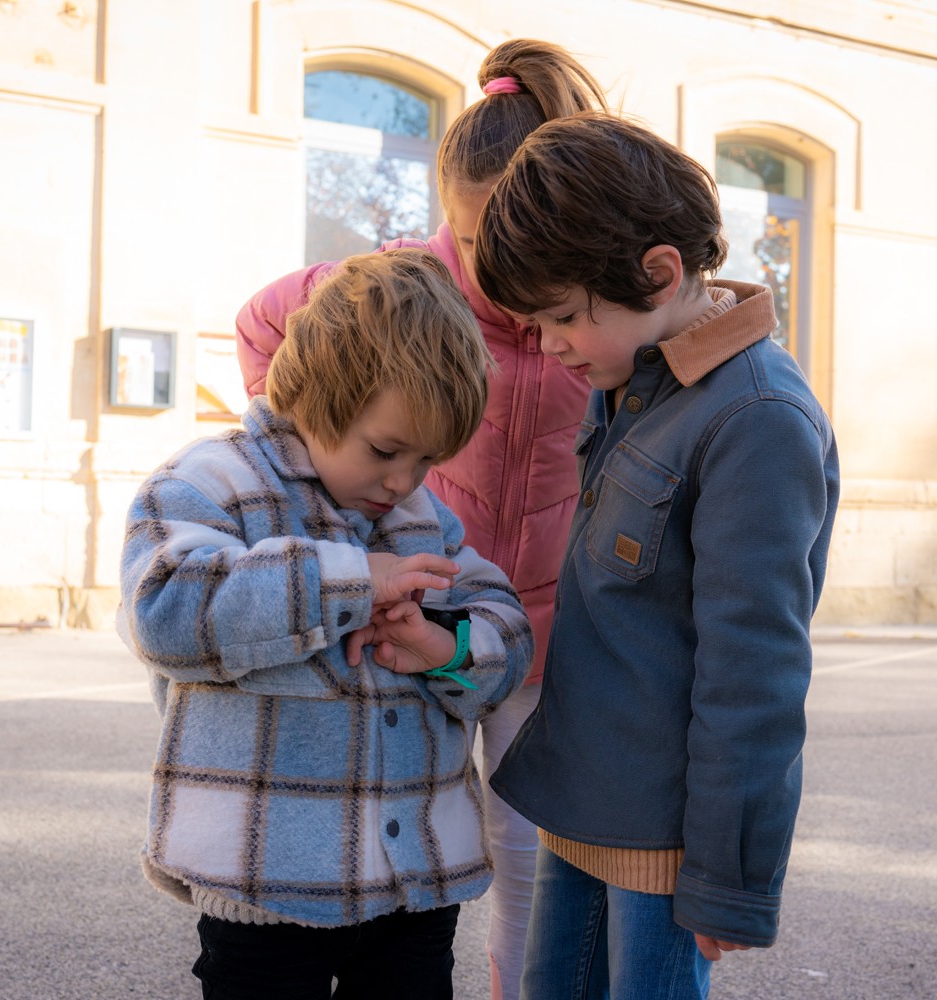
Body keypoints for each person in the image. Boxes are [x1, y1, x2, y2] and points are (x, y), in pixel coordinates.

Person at [234, 38, 605, 1000]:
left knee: (529, 857)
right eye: (477, 240)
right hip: (415, 603)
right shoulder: (401, 288)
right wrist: (309, 476)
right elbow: (264, 322)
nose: (498, 265)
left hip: (541, 624)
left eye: (519, 241)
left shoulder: (585, 317)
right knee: (409, 841)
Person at [475, 112, 841, 1000]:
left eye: (563, 316)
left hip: (665, 844)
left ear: (659, 272)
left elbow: (753, 669)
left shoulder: (755, 419)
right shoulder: (640, 376)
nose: (551, 343)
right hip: (582, 802)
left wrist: (728, 876)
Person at [120, 249, 534, 999]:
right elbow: (166, 613)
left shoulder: (421, 517)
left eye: (427, 459)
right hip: (264, 885)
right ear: (318, 394)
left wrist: (446, 648)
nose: (405, 481)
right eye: (385, 450)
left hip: (415, 889)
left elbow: (506, 624)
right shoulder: (207, 484)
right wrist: (347, 580)